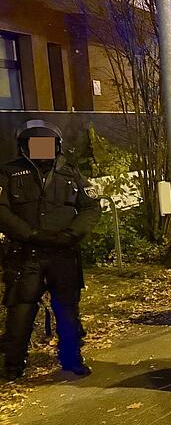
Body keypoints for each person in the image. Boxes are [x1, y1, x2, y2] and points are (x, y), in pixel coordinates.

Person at [0, 121, 100, 380]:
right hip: (26, 254)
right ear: (24, 148)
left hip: (63, 254)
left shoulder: (70, 172)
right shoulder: (9, 174)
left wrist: (71, 234)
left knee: (67, 310)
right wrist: (30, 234)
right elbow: (1, 211)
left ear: (57, 146)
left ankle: (71, 358)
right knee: (20, 310)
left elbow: (90, 207)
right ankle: (13, 365)